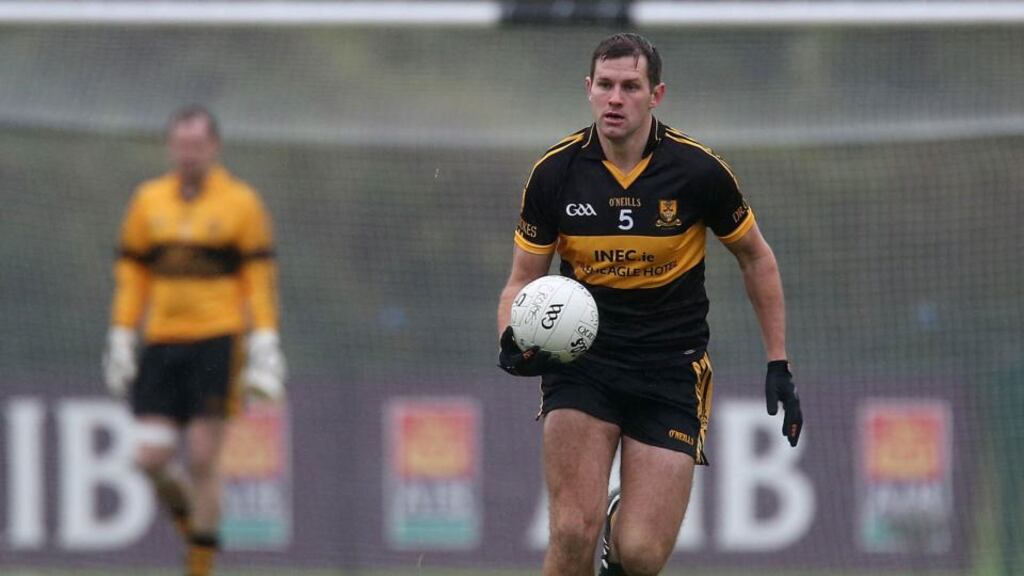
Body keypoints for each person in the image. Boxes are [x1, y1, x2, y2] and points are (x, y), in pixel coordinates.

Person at [496, 33, 803, 576]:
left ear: (655, 94)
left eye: (630, 87)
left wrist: (778, 361)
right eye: (606, 86)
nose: (616, 98)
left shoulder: (698, 172)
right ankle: (594, 524)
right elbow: (522, 280)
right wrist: (511, 338)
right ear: (589, 90)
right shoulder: (555, 174)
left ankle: (621, 528)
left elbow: (757, 259)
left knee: (639, 555)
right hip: (583, 366)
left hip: (670, 369)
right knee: (570, 531)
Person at [102, 105, 286, 576]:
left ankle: (199, 566)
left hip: (217, 340)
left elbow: (258, 277)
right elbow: (133, 275)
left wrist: (264, 338)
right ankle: (196, 531)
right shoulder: (147, 201)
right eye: (181, 145)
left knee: (204, 458)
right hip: (162, 342)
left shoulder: (241, 202)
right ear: (170, 147)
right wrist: (123, 333)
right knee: (150, 457)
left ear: (214, 147)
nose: (189, 154)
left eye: (197, 145)